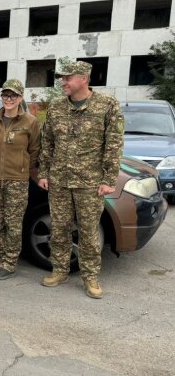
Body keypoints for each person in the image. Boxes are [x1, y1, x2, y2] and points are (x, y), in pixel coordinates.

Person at [38, 61, 124, 299]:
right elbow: (48, 143)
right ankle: (60, 270)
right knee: (59, 228)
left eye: (67, 78)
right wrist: (43, 173)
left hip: (89, 182)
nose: (62, 82)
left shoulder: (107, 105)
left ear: (84, 78)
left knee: (88, 231)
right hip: (59, 181)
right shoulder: (56, 107)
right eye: (61, 78)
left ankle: (90, 276)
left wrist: (109, 179)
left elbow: (114, 144)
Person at [0, 79, 40, 280]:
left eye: (13, 95)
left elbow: (34, 151)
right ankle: (0, 259)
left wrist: (23, 167)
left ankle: (10, 263)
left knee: (13, 222)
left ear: (20, 98)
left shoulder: (30, 122)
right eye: (5, 95)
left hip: (17, 180)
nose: (8, 99)